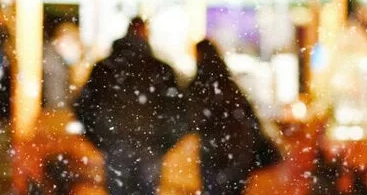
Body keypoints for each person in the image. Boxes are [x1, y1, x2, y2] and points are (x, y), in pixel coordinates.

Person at [73, 18, 186, 195]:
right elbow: (179, 112)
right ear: (146, 35)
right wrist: (163, 143)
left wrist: (101, 139)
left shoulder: (105, 68)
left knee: (119, 190)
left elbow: (84, 106)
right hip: (148, 146)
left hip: (117, 146)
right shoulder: (160, 70)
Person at [185, 40, 280, 195]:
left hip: (215, 153)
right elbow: (249, 115)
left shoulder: (199, 86)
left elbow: (195, 120)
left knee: (215, 189)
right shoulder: (229, 83)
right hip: (238, 150)